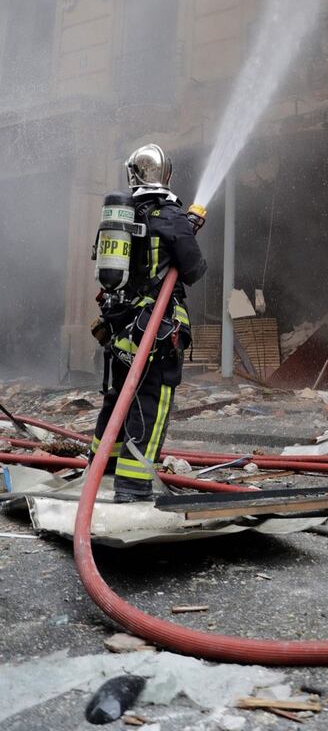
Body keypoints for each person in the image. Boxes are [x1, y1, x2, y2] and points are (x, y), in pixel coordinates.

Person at [88, 144, 207, 503]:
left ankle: (99, 471)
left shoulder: (120, 216)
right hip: (155, 330)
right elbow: (195, 271)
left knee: (117, 399)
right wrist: (186, 228)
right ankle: (133, 486)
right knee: (149, 403)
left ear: (132, 174)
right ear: (165, 174)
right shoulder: (170, 216)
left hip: (120, 329)